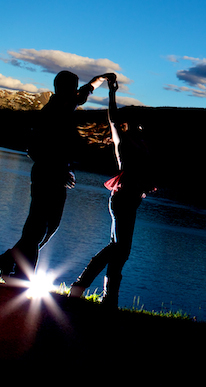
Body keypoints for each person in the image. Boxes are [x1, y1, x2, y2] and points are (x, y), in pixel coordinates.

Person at [0, 70, 109, 281]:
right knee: (36, 230)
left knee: (48, 227)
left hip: (56, 176)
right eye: (74, 88)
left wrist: (104, 78)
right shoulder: (52, 112)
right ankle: (21, 276)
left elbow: (86, 90)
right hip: (47, 176)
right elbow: (34, 149)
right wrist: (60, 170)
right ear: (67, 89)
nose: (76, 92)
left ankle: (5, 264)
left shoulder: (66, 105)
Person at [69, 73, 156, 307]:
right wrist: (112, 93)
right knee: (119, 247)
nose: (140, 125)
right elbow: (113, 120)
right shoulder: (123, 141)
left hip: (133, 198)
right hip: (122, 198)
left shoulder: (144, 144)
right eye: (136, 122)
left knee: (121, 250)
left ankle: (108, 298)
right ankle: (81, 286)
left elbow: (148, 170)